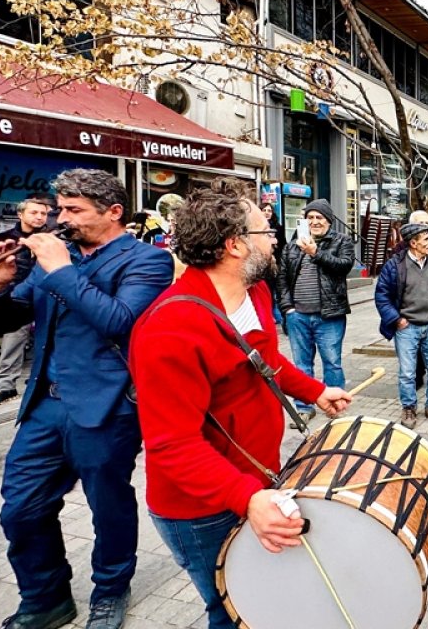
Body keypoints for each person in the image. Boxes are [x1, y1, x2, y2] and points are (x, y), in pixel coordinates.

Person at [130, 183, 353, 629]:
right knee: (234, 613)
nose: (275, 238)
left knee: (266, 602)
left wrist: (314, 390)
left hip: (252, 483)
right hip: (200, 511)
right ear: (234, 245)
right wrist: (247, 497)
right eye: (265, 230)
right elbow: (172, 446)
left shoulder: (255, 294)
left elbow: (266, 363)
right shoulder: (169, 329)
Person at [0, 169, 174, 629]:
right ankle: (45, 598)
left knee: (109, 508)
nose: (62, 218)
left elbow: (120, 321)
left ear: (114, 212)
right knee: (21, 508)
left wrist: (61, 269)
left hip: (106, 407)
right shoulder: (58, 259)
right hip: (45, 404)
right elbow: (12, 315)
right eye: (60, 208)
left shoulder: (146, 261)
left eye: (74, 210)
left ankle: (110, 590)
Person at [277, 198, 355, 422]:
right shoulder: (293, 245)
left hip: (329, 315)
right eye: (310, 217)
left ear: (328, 220)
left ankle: (335, 404)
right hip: (297, 316)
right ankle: (304, 406)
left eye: (319, 217)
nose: (314, 221)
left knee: (332, 361)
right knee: (302, 364)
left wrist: (315, 253)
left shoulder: (341, 241)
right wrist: (287, 308)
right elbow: (282, 278)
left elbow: (343, 266)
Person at [376, 222, 428, 428]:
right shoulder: (395, 265)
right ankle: (409, 408)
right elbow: (382, 296)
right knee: (408, 372)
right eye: (426, 239)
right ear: (413, 243)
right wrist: (397, 320)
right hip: (407, 327)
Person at [0, 194, 53, 407]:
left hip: (49, 295)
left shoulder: (54, 238)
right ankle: (5, 386)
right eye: (34, 212)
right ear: (20, 214)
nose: (39, 217)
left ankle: (45, 377)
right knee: (12, 340)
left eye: (43, 213)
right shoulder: (4, 239)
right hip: (19, 297)